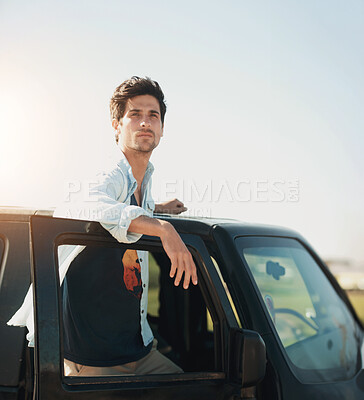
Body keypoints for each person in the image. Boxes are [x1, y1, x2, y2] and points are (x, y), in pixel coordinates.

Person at [56, 76, 198, 376]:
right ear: (116, 125)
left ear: (161, 128)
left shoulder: (143, 180)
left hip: (142, 350)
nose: (145, 122)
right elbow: (92, 203)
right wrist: (162, 227)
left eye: (153, 116)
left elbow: (122, 207)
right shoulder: (107, 171)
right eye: (135, 115)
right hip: (93, 360)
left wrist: (155, 208)